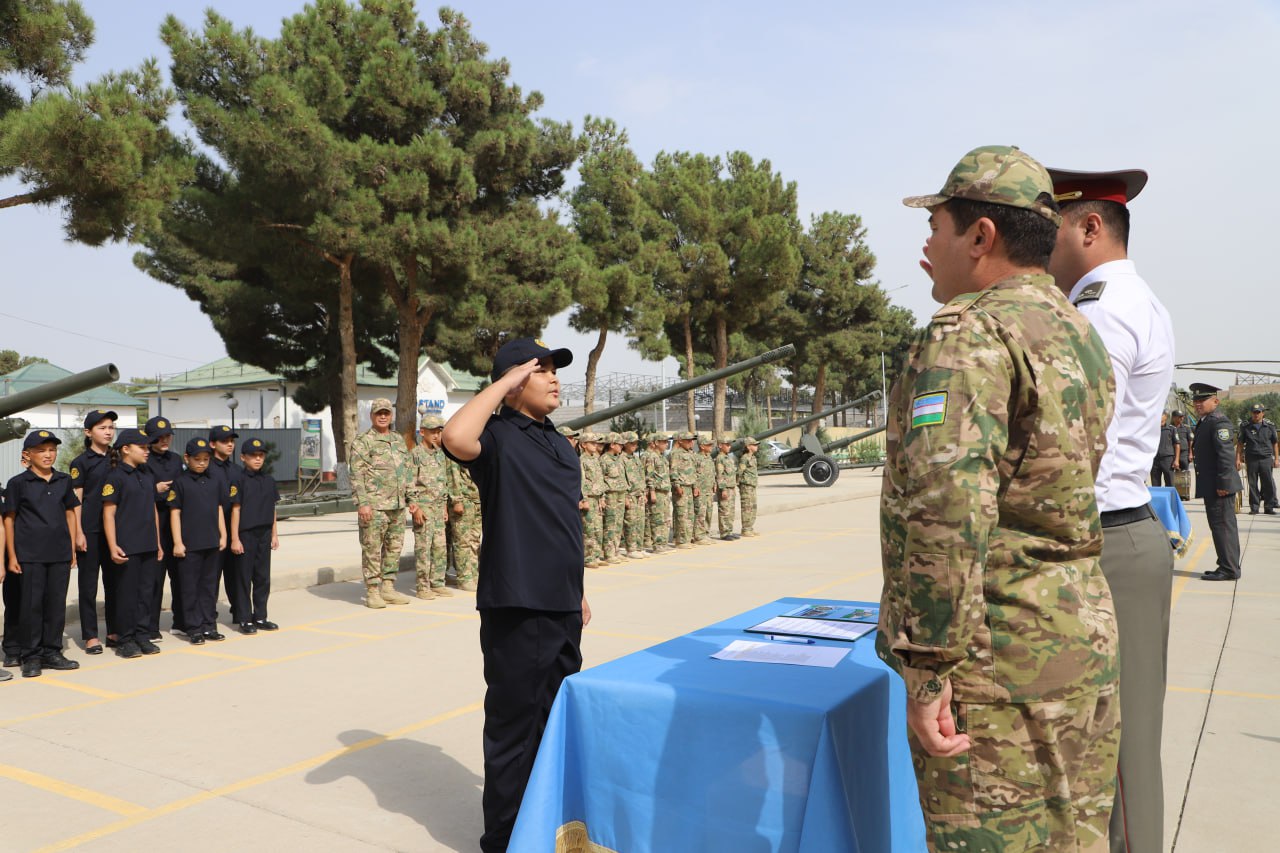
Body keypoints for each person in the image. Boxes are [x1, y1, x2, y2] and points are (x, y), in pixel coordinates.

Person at [879, 145, 1119, 852]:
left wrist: (927, 672)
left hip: (997, 665)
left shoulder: (968, 334)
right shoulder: (1078, 333)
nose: (927, 244)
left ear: (981, 237)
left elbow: (944, 511)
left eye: (939, 226)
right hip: (1080, 643)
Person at [1047, 163, 1176, 853]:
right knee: (1130, 746)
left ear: (1090, 226)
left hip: (1104, 541)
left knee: (1117, 750)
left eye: (1052, 227)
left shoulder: (1099, 309)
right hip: (1124, 533)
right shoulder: (1132, 298)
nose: (1041, 245)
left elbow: (1072, 443)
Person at [440, 336, 590, 853]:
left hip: (562, 602)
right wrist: (503, 385)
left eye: (555, 369)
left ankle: (541, 827)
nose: (553, 378)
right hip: (519, 605)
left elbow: (564, 522)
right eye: (541, 369)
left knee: (553, 725)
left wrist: (580, 591)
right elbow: (455, 437)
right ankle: (503, 842)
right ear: (513, 381)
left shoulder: (558, 442)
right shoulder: (499, 436)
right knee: (514, 731)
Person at [3, 431, 81, 677]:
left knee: (55, 606)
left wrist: (71, 549)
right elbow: (9, 520)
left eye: (52, 449)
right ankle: (31, 656)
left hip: (58, 553)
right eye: (41, 450)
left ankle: (52, 651)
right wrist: (12, 556)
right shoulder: (18, 483)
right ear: (27, 455)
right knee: (31, 607)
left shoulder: (63, 480)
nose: (48, 454)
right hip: (30, 555)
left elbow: (70, 513)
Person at [102, 428, 164, 659]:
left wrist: (157, 542)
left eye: (148, 448)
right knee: (126, 594)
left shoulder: (146, 475)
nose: (147, 452)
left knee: (146, 593)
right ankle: (125, 639)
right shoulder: (115, 477)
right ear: (126, 449)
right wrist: (112, 545)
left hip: (148, 543)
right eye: (143, 448)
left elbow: (153, 511)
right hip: (127, 545)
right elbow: (108, 514)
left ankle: (142, 635)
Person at [349, 399, 417, 609]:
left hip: (397, 506)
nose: (383, 416)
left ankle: (387, 588)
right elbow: (356, 475)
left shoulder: (397, 440)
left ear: (392, 415)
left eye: (387, 413)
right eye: (379, 413)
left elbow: (407, 471)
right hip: (375, 505)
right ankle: (372, 591)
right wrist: (363, 503)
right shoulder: (363, 441)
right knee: (371, 549)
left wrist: (412, 499)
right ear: (372, 416)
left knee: (394, 548)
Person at [168, 437, 227, 644]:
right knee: (190, 587)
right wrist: (177, 542)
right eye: (197, 459)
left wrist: (223, 534)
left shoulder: (214, 480)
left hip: (211, 541)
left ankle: (209, 625)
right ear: (187, 458)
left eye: (205, 459)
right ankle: (193, 627)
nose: (202, 463)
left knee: (209, 587)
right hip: (190, 544)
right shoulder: (181, 482)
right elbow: (175, 513)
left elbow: (219, 508)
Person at [69, 409, 117, 654]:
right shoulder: (80, 463)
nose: (108, 431)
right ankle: (90, 636)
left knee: (115, 583)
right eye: (102, 427)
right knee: (88, 586)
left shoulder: (118, 458)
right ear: (88, 432)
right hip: (90, 530)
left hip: (116, 531)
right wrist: (78, 533)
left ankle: (114, 630)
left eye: (110, 427)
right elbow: (76, 500)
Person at [1191, 383, 1244, 580]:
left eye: (1202, 400)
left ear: (1215, 401)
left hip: (1219, 487)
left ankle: (1229, 569)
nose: (1197, 404)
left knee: (1223, 527)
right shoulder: (1206, 421)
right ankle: (1226, 565)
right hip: (1213, 485)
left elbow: (1225, 456)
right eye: (1195, 400)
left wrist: (1223, 483)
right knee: (1220, 527)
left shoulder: (1218, 422)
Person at [230, 437, 280, 632]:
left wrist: (275, 534)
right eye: (253, 456)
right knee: (244, 577)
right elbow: (236, 510)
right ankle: (245, 618)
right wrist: (235, 538)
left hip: (264, 533)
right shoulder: (239, 480)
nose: (258, 459)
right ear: (243, 457)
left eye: (261, 456)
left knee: (262, 577)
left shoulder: (269, 480)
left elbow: (273, 509)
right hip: (246, 534)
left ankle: (260, 616)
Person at [143, 416, 183, 640]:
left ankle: (182, 621)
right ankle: (151, 626)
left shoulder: (176, 460)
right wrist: (154, 488)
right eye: (159, 437)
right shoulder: (144, 460)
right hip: (154, 520)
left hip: (176, 521)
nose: (164, 440)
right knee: (154, 578)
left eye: (167, 435)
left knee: (179, 575)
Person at [410, 416, 452, 597]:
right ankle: (422, 587)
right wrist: (415, 507)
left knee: (440, 548)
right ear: (422, 432)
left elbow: (443, 483)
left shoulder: (440, 455)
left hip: (437, 508)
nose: (436, 435)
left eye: (438, 431)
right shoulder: (415, 454)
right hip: (424, 509)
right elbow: (409, 483)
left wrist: (443, 507)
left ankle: (437, 582)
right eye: (432, 431)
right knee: (423, 550)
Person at [445, 452, 479, 593]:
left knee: (475, 540)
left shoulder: (476, 447)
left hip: (476, 498)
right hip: (463, 500)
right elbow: (452, 476)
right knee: (462, 541)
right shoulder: (456, 449)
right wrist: (456, 500)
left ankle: (474, 574)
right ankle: (464, 578)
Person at [1238, 403, 1278, 514]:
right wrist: (1237, 459)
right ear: (1251, 413)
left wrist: (1276, 459)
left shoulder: (1270, 426)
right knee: (1252, 483)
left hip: (1266, 458)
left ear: (1263, 413)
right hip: (1251, 458)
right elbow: (1240, 444)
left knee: (1268, 483)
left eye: (1258, 412)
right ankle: (1254, 507)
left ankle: (1269, 507)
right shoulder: (1245, 426)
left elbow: (1275, 443)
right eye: (1254, 412)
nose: (1256, 415)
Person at [578, 433, 606, 568]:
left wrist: (602, 498)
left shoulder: (596, 459)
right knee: (589, 528)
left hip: (597, 497)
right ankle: (588, 558)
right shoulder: (581, 460)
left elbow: (600, 480)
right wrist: (584, 499)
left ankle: (596, 554)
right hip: (589, 497)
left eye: (596, 443)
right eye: (592, 443)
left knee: (598, 528)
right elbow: (581, 481)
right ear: (584, 445)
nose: (596, 445)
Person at [643, 433, 672, 552]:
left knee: (665, 519)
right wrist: (652, 491)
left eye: (666, 442)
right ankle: (658, 545)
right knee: (657, 519)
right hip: (658, 491)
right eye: (663, 442)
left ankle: (663, 543)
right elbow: (649, 476)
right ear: (655, 443)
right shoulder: (651, 457)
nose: (666, 444)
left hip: (664, 492)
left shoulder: (662, 457)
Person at [668, 431, 698, 548]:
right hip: (681, 487)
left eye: (692, 440)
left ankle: (687, 538)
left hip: (689, 486)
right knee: (681, 514)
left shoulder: (689, 453)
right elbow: (673, 470)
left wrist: (695, 486)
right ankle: (680, 540)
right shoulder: (675, 453)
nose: (691, 442)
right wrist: (677, 485)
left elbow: (693, 471)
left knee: (689, 514)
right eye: (688, 440)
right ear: (680, 441)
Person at [622, 432, 648, 558]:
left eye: (636, 443)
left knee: (640, 521)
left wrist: (644, 492)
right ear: (624, 443)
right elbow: (622, 478)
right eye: (631, 443)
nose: (634, 445)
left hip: (639, 494)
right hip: (630, 494)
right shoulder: (622, 458)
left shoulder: (636, 458)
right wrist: (626, 496)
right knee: (631, 522)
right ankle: (631, 549)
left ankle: (639, 546)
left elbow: (641, 476)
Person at [714, 437, 738, 540]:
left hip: (731, 487)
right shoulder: (720, 458)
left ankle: (729, 530)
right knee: (724, 510)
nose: (729, 446)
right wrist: (723, 489)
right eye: (727, 444)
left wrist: (734, 487)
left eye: (730, 444)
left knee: (731, 510)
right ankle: (724, 533)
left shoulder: (728, 458)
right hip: (725, 488)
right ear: (720, 445)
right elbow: (720, 475)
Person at [693, 435, 715, 544]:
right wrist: (695, 487)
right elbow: (694, 474)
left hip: (709, 490)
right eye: (708, 444)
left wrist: (714, 483)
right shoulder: (696, 458)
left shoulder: (709, 457)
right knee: (700, 513)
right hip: (701, 491)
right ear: (702, 446)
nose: (711, 446)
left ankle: (705, 533)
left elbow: (711, 472)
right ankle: (698, 536)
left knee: (708, 513)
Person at [736, 438, 759, 537]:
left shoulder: (753, 458)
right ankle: (745, 529)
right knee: (747, 507)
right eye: (754, 444)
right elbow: (739, 472)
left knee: (753, 507)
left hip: (752, 486)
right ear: (748, 446)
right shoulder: (744, 458)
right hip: (746, 486)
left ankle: (750, 527)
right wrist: (739, 484)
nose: (756, 446)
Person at [1151, 412, 1176, 487]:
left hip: (1167, 459)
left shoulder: (1171, 429)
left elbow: (1177, 445)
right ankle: (1157, 498)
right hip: (1155, 459)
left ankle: (1170, 498)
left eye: (1162, 415)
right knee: (1155, 483)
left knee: (1170, 482)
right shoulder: (1152, 430)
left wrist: (1176, 460)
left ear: (1166, 417)